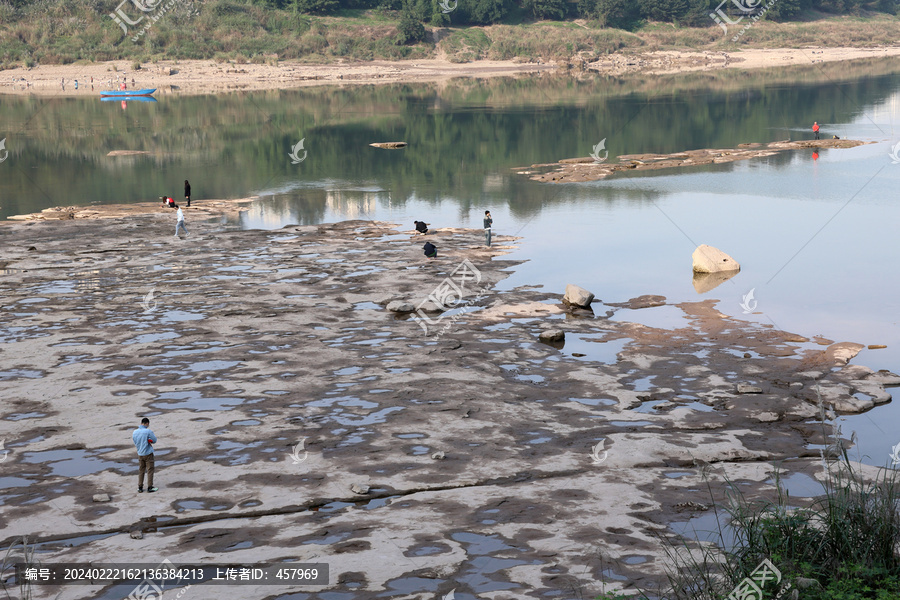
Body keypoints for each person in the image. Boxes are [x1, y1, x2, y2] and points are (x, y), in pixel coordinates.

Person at [132, 417, 158, 493]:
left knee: (141, 470)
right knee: (150, 470)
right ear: (147, 423)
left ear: (141, 423)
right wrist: (149, 440)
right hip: (148, 453)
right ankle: (150, 487)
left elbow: (135, 442)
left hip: (140, 453)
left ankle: (140, 487)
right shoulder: (148, 431)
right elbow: (154, 440)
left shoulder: (134, 432)